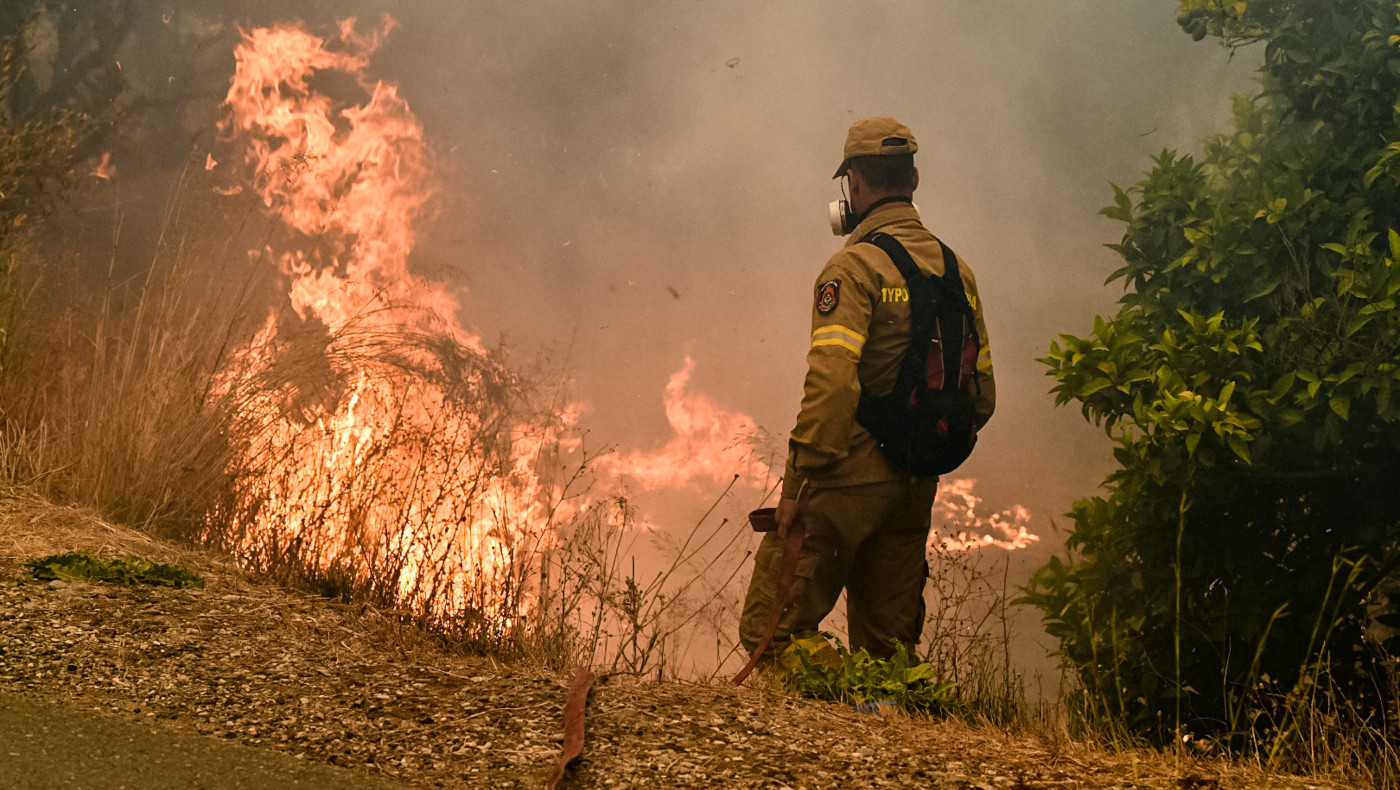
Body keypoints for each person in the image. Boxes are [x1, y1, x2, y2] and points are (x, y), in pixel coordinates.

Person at [739, 116, 995, 666]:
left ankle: (816, 739)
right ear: (915, 179)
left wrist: (798, 482)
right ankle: (881, 734)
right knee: (888, 655)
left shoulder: (853, 268)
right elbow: (984, 393)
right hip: (915, 485)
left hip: (845, 479)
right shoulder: (958, 271)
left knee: (772, 633)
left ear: (853, 183)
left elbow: (832, 384)